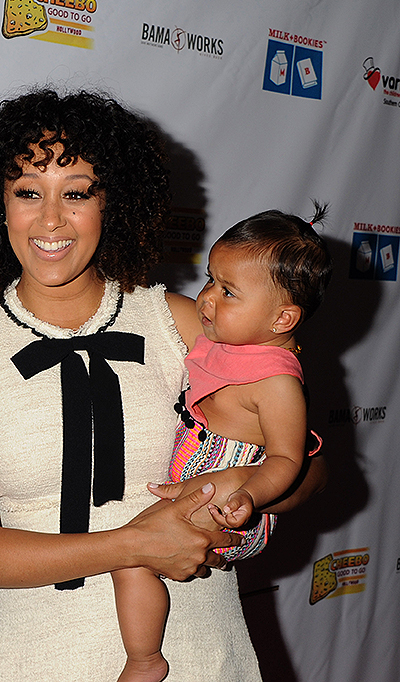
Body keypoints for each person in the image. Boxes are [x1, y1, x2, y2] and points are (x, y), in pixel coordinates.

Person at [0, 88, 323, 681]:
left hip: (200, 656)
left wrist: (248, 490)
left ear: (112, 204)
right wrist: (132, 545)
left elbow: (304, 468)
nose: (51, 219)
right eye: (28, 192)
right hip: (35, 662)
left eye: (77, 193)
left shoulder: (182, 322)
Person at [110, 207, 332, 682]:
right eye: (210, 280)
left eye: (228, 291)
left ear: (282, 318)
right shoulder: (224, 341)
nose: (207, 297)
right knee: (134, 549)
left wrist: (246, 495)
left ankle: (145, 660)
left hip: (235, 505)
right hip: (206, 482)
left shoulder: (276, 381)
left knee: (132, 556)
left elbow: (290, 458)